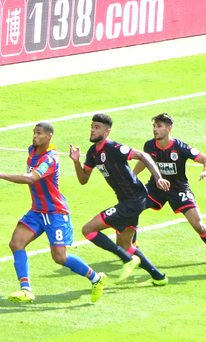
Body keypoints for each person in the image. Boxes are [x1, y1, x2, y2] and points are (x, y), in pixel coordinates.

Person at [0, 122, 107, 303]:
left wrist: (3, 175)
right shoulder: (31, 151)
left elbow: (31, 178)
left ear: (49, 136)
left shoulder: (50, 158)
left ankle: (96, 279)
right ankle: (26, 290)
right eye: (34, 133)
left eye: (39, 133)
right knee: (16, 243)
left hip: (55, 213)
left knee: (60, 258)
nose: (35, 136)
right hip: (37, 211)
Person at [70, 113, 170, 285]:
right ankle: (159, 277)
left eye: (97, 128)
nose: (93, 130)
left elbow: (144, 156)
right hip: (128, 201)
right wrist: (76, 162)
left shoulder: (113, 148)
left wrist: (158, 177)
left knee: (88, 229)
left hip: (133, 200)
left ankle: (128, 260)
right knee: (125, 245)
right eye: (92, 127)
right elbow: (83, 179)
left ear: (107, 132)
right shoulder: (93, 152)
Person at [133, 113, 206, 265]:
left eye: (159, 126)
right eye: (154, 126)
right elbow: (145, 161)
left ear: (169, 129)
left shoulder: (181, 147)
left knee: (199, 225)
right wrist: (132, 176)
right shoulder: (149, 145)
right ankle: (133, 247)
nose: (155, 130)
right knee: (132, 205)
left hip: (178, 189)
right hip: (156, 187)